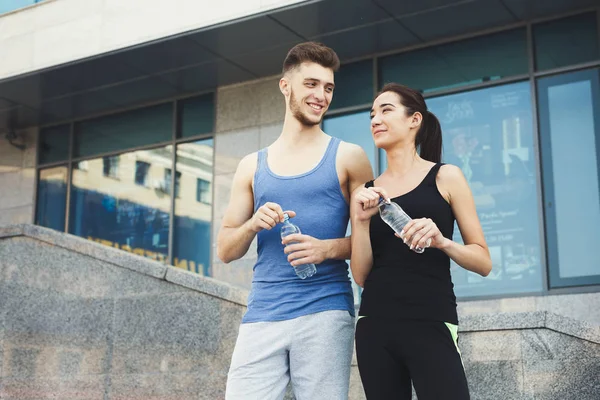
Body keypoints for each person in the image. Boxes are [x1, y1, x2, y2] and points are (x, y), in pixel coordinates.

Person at [217, 42, 374, 400]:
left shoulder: (350, 157)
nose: (321, 95)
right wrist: (253, 224)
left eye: (328, 87)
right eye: (311, 84)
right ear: (285, 85)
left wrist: (328, 248)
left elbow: (376, 238)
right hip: (263, 312)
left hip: (325, 311)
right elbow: (225, 250)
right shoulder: (251, 166)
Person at [350, 83, 492, 400]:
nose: (375, 119)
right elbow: (361, 276)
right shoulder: (366, 191)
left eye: (386, 110)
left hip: (432, 320)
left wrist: (442, 241)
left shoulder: (447, 176)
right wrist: (360, 223)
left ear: (415, 120)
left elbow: (483, 261)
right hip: (375, 325)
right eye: (372, 114)